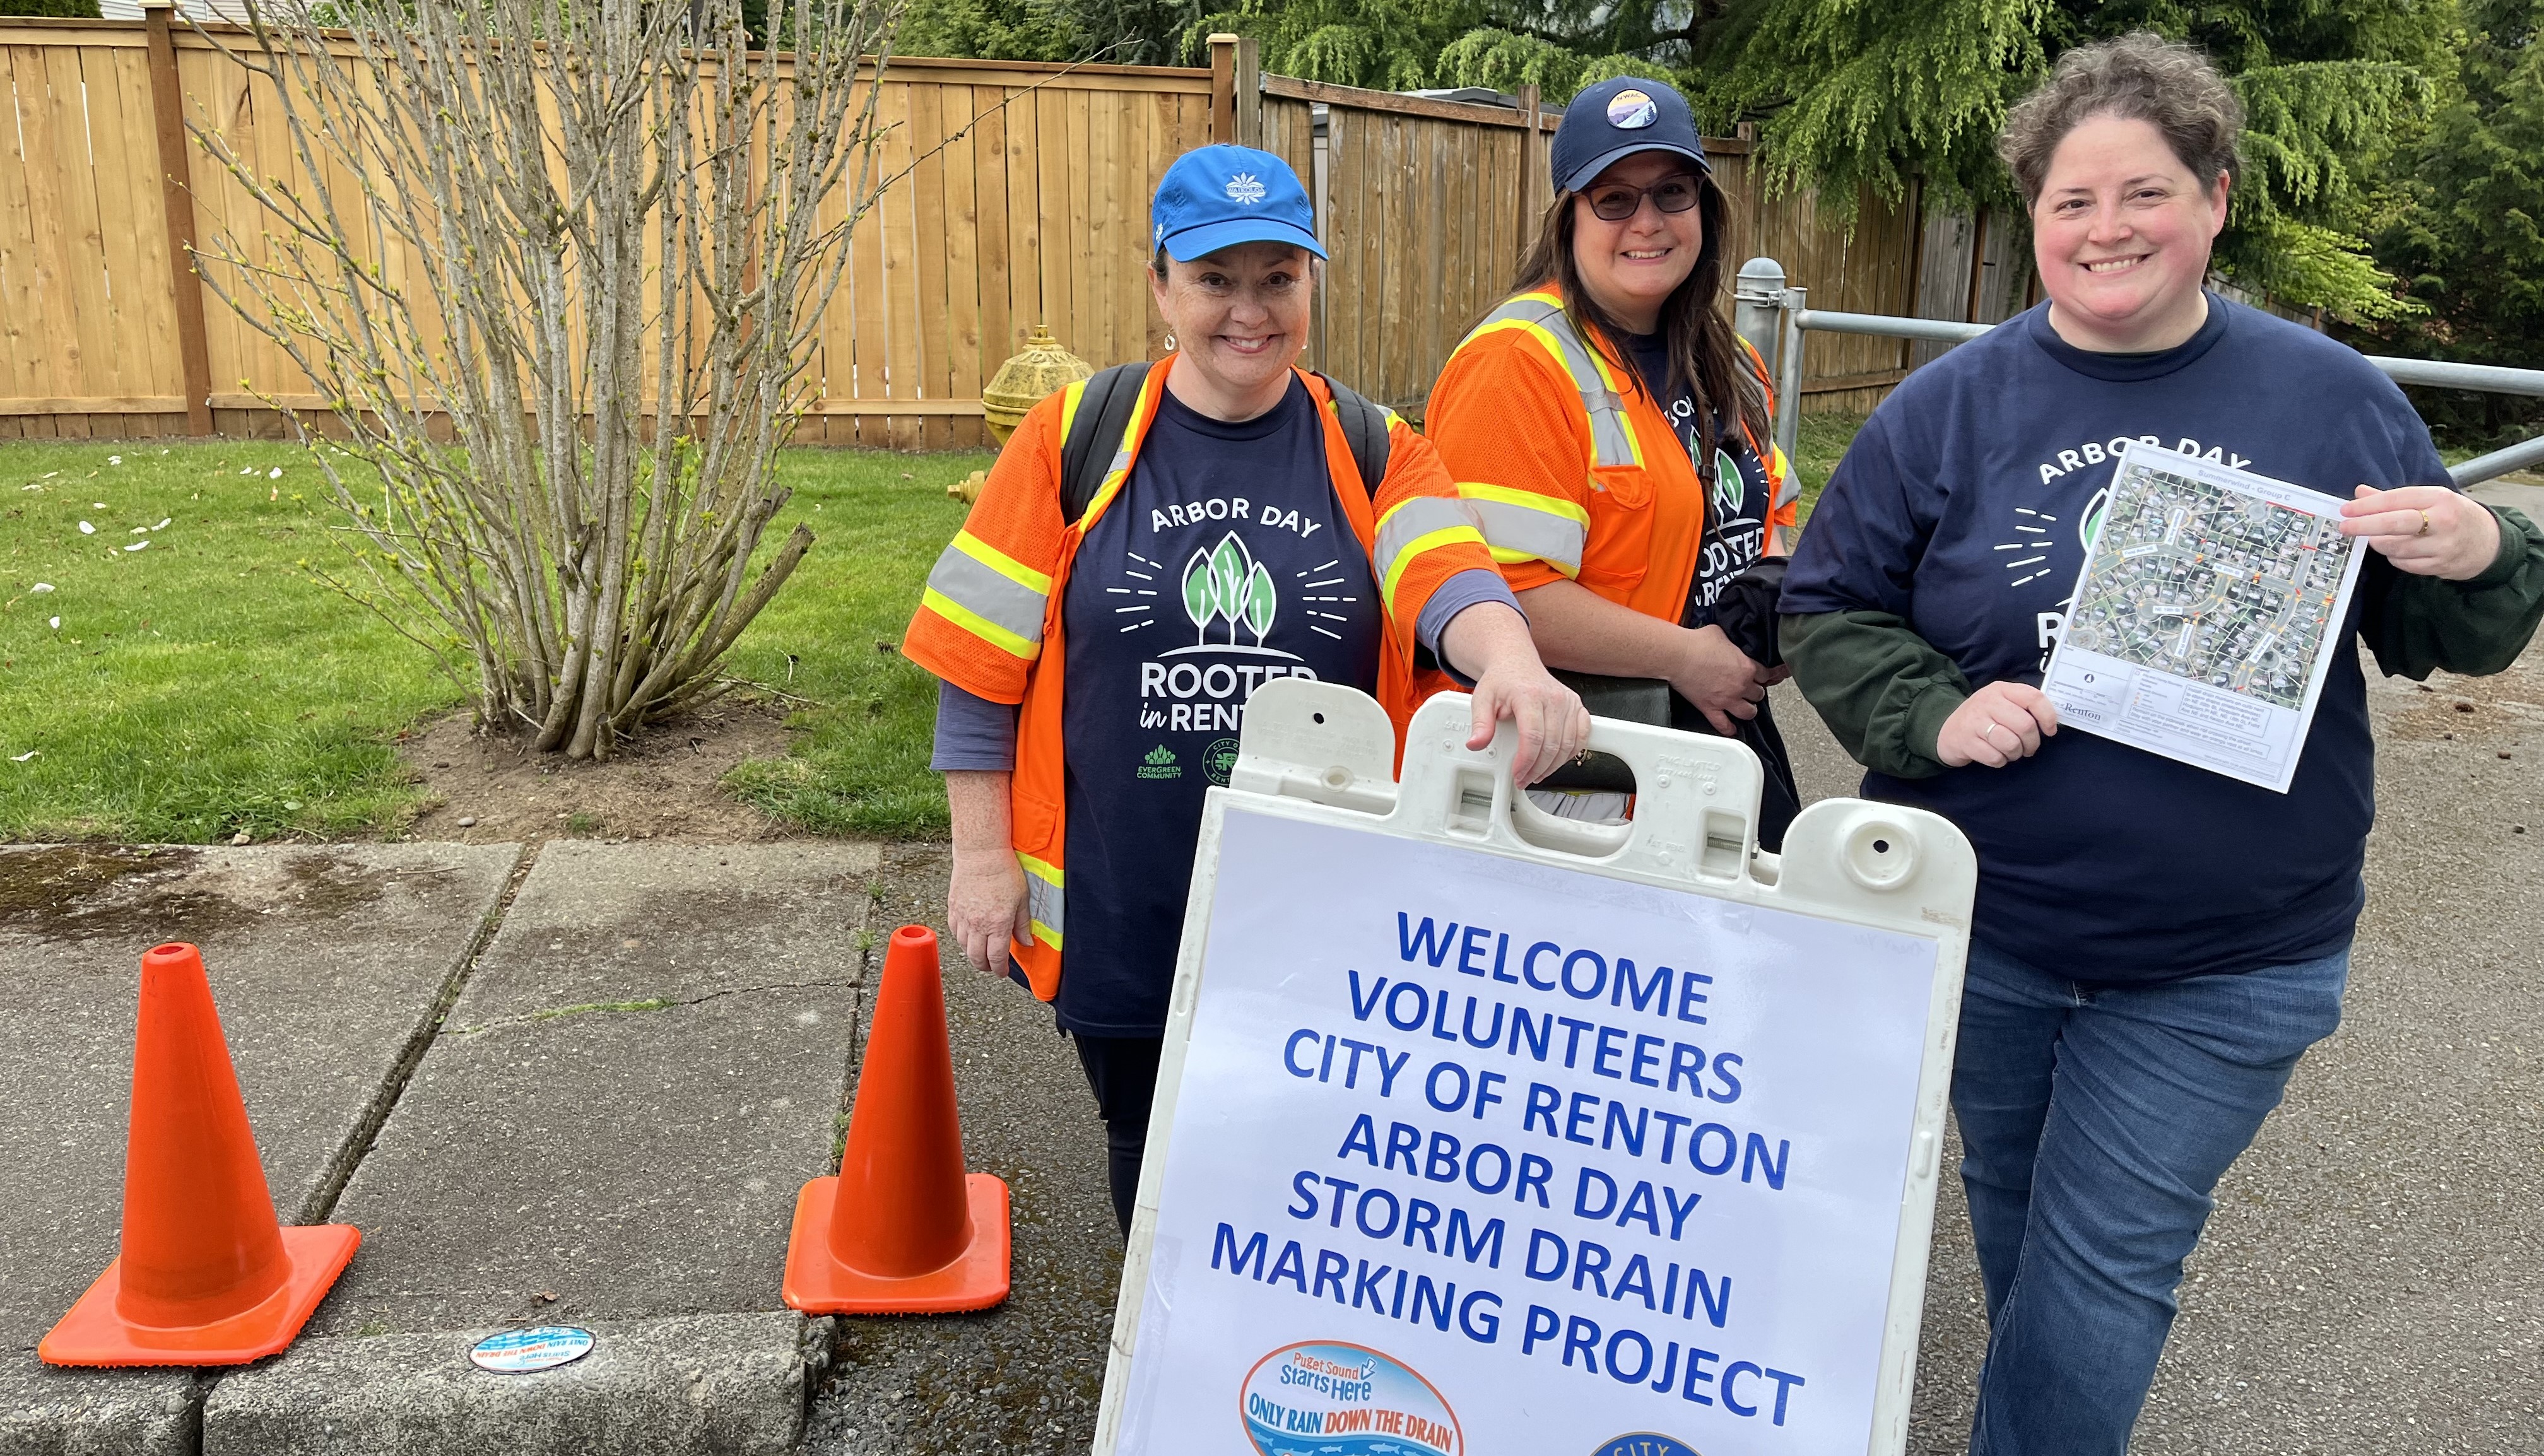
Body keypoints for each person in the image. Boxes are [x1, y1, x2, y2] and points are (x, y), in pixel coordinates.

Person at [1777, 33, 2544, 1455]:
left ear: (2216, 203)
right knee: (2020, 1216)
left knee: (2100, 1262)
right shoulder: (1950, 407)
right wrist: (1931, 710)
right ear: (2034, 220)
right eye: (2072, 202)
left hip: (2229, 957)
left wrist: (2484, 539)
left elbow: (2455, 636)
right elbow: (1828, 603)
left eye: (2145, 194)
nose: (2106, 229)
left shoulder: (2329, 399)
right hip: (1983, 926)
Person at [904, 144, 1591, 1239]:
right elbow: (981, 666)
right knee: (1153, 1143)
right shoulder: (1071, 439)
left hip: (1320, 897)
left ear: (1311, 285)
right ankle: (1165, 1369)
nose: (1249, 310)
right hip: (1128, 895)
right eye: (1217, 279)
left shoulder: (1371, 447)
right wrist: (982, 858)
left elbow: (1451, 575)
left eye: (1279, 277)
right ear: (1161, 286)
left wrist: (1505, 654)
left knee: (1308, 1146)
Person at [1424, 76, 1805, 847]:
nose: (1649, 222)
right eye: (1614, 199)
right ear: (1569, 216)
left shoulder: (1725, 360)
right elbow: (1498, 593)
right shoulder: (1517, 364)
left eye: (1672, 192)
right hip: (1572, 774)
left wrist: (1774, 625)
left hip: (1705, 745)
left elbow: (1771, 519)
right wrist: (1690, 659)